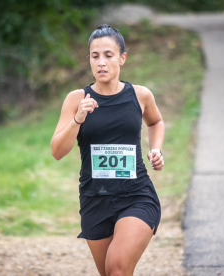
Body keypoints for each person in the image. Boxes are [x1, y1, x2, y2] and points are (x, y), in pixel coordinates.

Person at [51, 24, 165, 276]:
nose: (101, 62)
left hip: (136, 195)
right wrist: (78, 119)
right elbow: (57, 151)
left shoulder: (140, 95)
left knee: (116, 268)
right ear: (89, 60)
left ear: (122, 58)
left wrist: (156, 149)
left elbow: (156, 122)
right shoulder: (75, 99)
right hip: (95, 199)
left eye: (108, 55)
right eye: (95, 56)